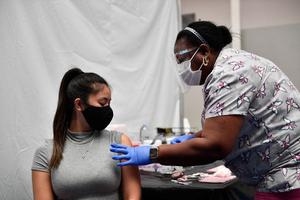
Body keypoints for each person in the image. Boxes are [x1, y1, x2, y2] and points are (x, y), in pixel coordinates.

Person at [110, 21, 300, 199]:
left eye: (183, 59)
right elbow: (229, 123)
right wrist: (194, 138)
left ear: (204, 51)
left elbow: (216, 145)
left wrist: (152, 153)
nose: (181, 68)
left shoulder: (228, 74)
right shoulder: (233, 63)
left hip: (287, 177)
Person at [32, 68, 141, 200]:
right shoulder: (46, 153)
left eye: (109, 103)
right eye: (102, 102)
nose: (107, 109)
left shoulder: (120, 143)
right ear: (79, 104)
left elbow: (133, 195)